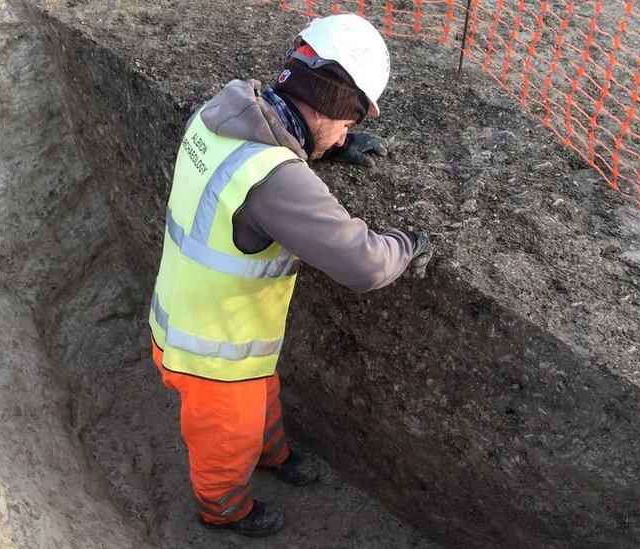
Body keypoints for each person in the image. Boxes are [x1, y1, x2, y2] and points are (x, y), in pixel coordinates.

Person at [148, 13, 433, 538]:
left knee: (263, 400)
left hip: (200, 323)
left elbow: (272, 145)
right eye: (351, 121)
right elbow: (364, 263)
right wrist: (408, 244)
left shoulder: (222, 111)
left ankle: (272, 454)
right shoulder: (276, 181)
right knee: (224, 444)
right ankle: (225, 510)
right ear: (332, 103)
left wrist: (331, 146)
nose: (351, 132)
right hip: (209, 355)